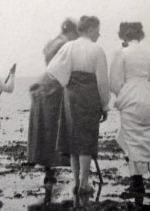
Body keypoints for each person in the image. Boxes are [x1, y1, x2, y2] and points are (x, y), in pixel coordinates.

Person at [47, 16, 110, 195]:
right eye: (97, 29)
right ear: (90, 29)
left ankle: (76, 182)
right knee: (86, 140)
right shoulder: (97, 49)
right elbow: (102, 82)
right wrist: (105, 106)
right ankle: (83, 183)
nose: (99, 33)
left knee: (73, 139)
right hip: (89, 95)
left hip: (71, 95)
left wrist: (67, 81)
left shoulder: (69, 46)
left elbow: (52, 69)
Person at [109, 22, 150, 194]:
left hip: (130, 95)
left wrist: (123, 94)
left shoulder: (121, 53)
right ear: (141, 36)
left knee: (132, 140)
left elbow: (114, 82)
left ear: (125, 37)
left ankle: (137, 183)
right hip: (149, 95)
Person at [27, 18, 77, 184]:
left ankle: (49, 171)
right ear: (72, 31)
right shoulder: (65, 44)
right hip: (53, 88)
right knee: (58, 129)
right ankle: (69, 168)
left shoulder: (52, 42)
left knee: (44, 130)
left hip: (43, 86)